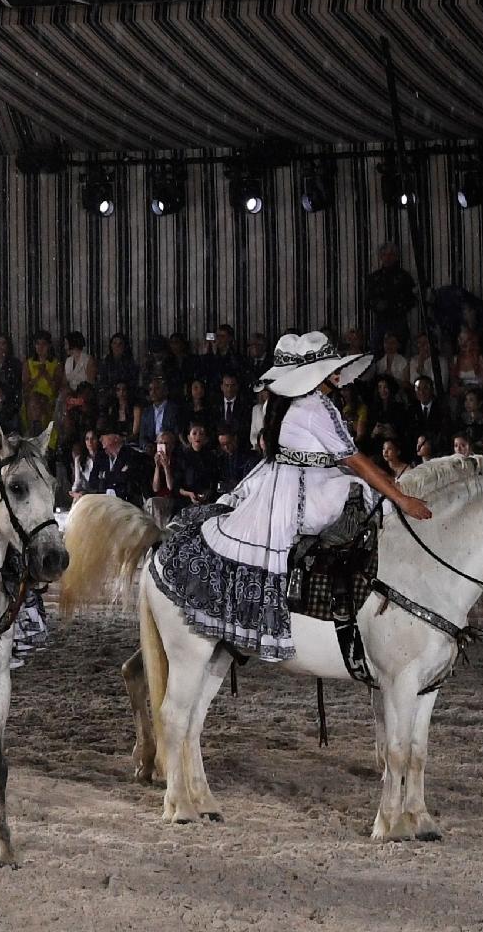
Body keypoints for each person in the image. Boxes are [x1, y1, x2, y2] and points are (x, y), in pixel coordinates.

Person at [149, 331, 432, 662]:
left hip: (291, 479)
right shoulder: (315, 406)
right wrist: (401, 498)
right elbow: (355, 459)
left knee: (362, 493)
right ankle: (344, 602)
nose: (337, 373)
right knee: (364, 499)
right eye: (330, 367)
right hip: (303, 489)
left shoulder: (293, 403)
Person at [365, 243, 417, 354]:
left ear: (396, 257)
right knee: (377, 353)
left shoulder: (404, 277)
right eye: (385, 255)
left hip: (399, 321)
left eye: (391, 255)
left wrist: (397, 306)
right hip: (380, 322)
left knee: (399, 353)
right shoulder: (374, 278)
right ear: (381, 257)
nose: (388, 258)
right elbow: (367, 300)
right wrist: (377, 305)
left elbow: (412, 299)